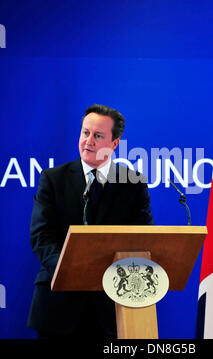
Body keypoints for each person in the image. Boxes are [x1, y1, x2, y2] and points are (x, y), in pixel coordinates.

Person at [27, 104, 154, 339]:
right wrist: (70, 273)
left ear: (114, 143)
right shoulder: (53, 179)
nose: (88, 141)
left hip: (112, 308)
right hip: (58, 305)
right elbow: (41, 237)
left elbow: (142, 239)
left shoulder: (133, 184)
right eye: (85, 132)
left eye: (97, 136)